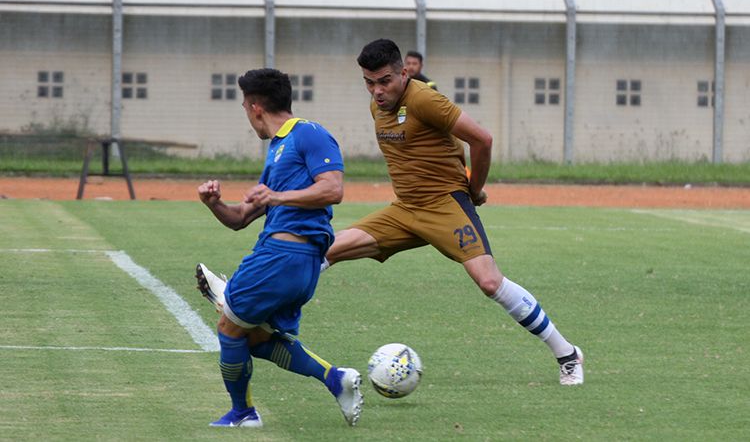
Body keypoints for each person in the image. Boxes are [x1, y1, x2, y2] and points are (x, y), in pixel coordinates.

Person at [199, 40, 584, 387]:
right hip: (404, 210)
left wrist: (474, 188)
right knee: (324, 250)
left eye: (385, 81)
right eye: (369, 83)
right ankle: (244, 300)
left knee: (488, 282)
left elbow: (481, 138)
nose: (378, 91)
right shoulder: (377, 106)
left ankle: (567, 353)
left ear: (404, 73)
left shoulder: (424, 100)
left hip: (444, 206)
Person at [196, 68, 363, 428]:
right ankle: (336, 379)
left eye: (244, 106)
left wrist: (278, 196)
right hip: (292, 263)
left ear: (256, 107)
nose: (247, 116)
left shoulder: (309, 134)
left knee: (228, 328)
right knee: (253, 339)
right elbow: (241, 217)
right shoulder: (277, 152)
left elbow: (333, 189)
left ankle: (244, 413)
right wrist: (214, 204)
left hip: (284, 257)